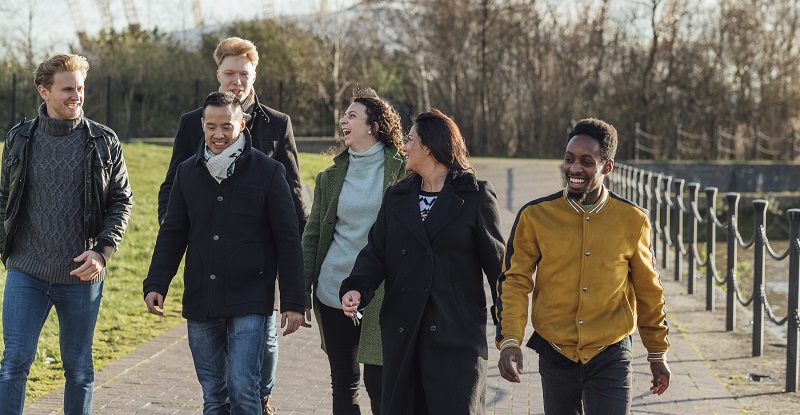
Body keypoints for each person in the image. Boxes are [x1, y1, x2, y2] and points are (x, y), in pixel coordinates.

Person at [156, 37, 306, 414]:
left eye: (244, 73)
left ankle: (261, 399)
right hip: (206, 264)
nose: (237, 79)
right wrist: (181, 239)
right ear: (218, 74)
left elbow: (292, 199)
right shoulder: (193, 125)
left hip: (257, 262)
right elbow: (174, 193)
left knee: (254, 366)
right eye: (230, 73)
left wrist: (294, 289)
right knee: (218, 389)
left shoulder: (276, 126)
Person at [495, 118, 671, 414]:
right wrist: (510, 339)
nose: (575, 169)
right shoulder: (535, 216)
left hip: (611, 352)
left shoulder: (633, 220)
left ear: (608, 167)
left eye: (586, 162)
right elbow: (514, 280)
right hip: (555, 352)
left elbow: (648, 290)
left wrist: (657, 353)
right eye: (569, 159)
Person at [340, 109, 505, 415]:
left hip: (456, 338)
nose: (404, 146)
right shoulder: (396, 197)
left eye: (411, 139)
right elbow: (375, 252)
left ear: (428, 146)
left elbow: (500, 270)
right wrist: (357, 288)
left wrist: (507, 333)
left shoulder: (475, 195)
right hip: (403, 335)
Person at [0, 53, 133, 415]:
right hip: (26, 270)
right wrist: (6, 251)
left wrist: (102, 253)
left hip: (81, 274)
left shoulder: (104, 141)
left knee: (78, 368)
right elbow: (3, 199)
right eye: (68, 89)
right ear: (44, 91)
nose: (77, 96)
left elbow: (122, 201)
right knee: (14, 362)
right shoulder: (18, 139)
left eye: (81, 88)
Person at [303, 87, 405, 414]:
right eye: (343, 115)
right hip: (333, 291)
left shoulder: (403, 171)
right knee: (344, 385)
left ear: (374, 126)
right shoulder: (329, 177)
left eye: (352, 115)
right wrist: (299, 291)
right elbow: (313, 235)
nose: (343, 120)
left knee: (381, 383)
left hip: (382, 293)